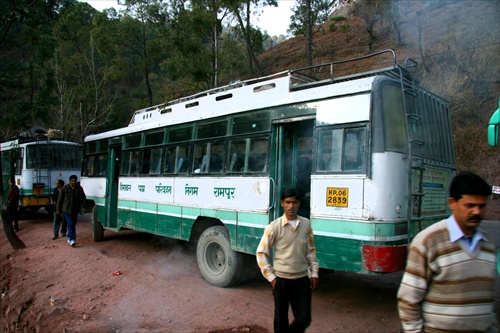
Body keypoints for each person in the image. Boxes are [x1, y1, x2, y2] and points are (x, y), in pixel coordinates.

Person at [397, 172, 498, 333]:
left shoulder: (488, 246)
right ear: (452, 203)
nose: (477, 212)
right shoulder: (428, 242)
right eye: (470, 205)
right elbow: (408, 300)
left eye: (481, 206)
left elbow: (488, 304)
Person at [256, 188, 319, 333]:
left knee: (304, 319)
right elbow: (261, 253)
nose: (291, 206)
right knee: (281, 321)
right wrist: (272, 278)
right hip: (282, 281)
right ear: (282, 204)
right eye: (288, 202)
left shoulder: (306, 224)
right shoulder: (274, 227)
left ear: (299, 204)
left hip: (302, 280)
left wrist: (314, 273)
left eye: (294, 202)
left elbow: (310, 250)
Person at [56, 175, 86, 247]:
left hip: (75, 210)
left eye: (75, 180)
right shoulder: (65, 189)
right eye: (72, 181)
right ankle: (73, 239)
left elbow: (83, 198)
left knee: (73, 224)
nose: (74, 182)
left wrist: (84, 207)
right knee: (70, 224)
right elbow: (60, 200)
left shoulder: (79, 189)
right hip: (66, 210)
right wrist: (58, 209)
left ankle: (69, 237)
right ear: (70, 181)